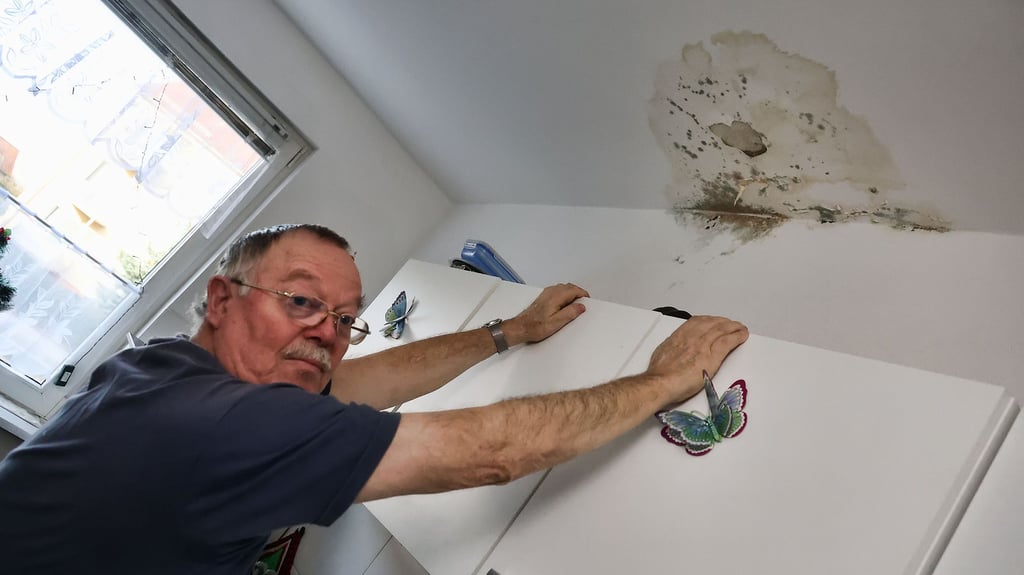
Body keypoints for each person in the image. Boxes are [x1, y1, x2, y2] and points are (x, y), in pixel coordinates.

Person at [0, 223, 748, 574]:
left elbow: (367, 378)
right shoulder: (224, 423)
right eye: (301, 301)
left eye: (344, 319)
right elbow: (491, 452)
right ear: (222, 299)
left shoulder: (164, 365)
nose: (327, 333)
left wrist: (508, 331)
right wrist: (661, 382)